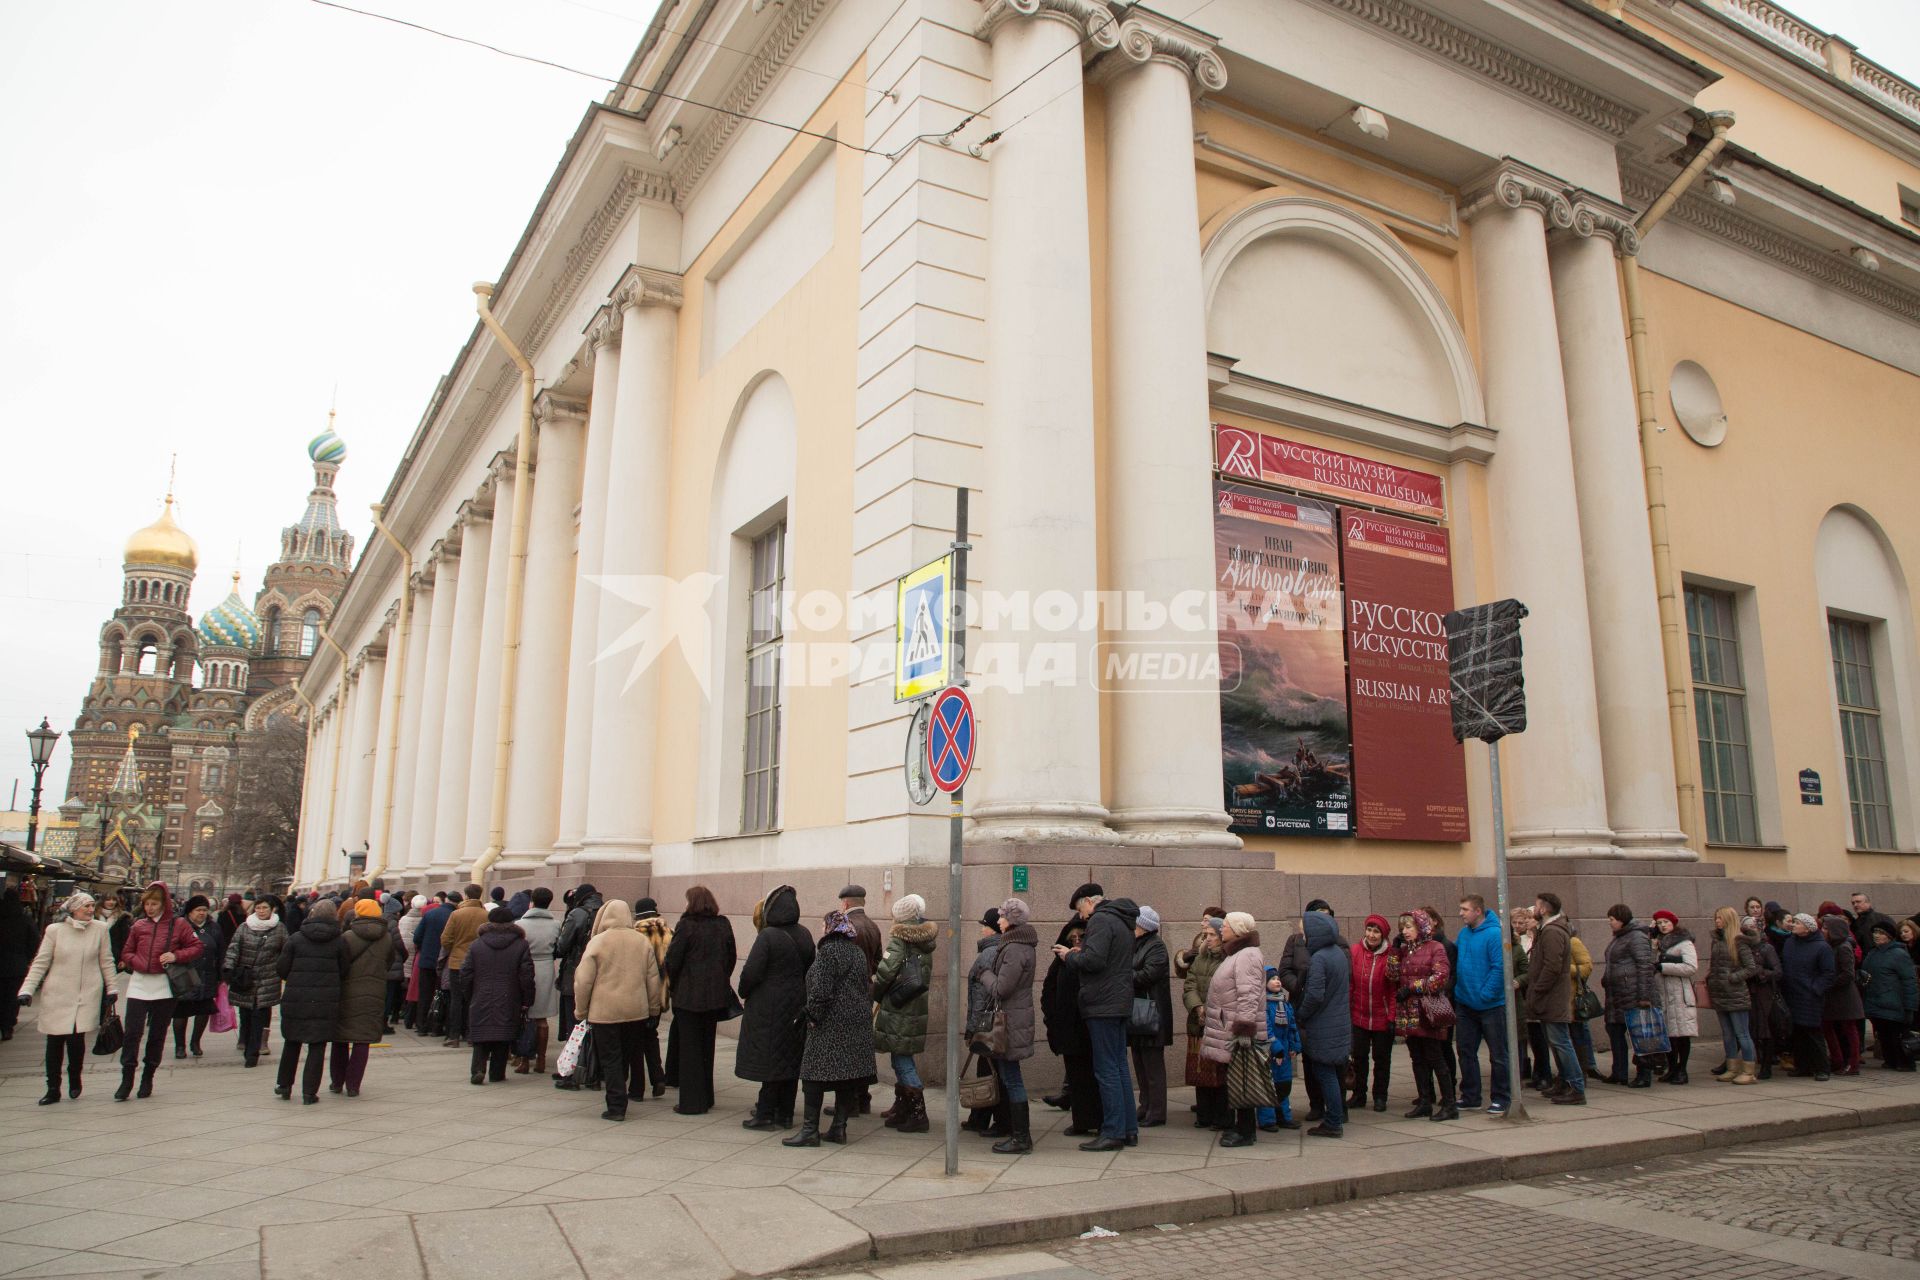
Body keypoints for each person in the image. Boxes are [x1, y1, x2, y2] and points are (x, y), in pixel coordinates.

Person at [1055, 886, 1140, 1152]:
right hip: (1119, 1001)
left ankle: (1113, 1131)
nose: (1082, 917)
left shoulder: (1101, 919)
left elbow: (1094, 960)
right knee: (1119, 1067)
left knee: (1106, 1069)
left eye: (1081, 911)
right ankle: (1128, 1129)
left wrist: (1070, 955)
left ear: (1090, 902)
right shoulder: (1123, 920)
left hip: (1102, 1003)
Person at [784, 910, 877, 1147]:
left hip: (831, 1024)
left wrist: (811, 1015)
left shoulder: (828, 953)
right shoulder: (857, 953)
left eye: (823, 925)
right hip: (856, 1022)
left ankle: (810, 1131)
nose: (821, 929)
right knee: (846, 1076)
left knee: (812, 1076)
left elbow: (821, 991)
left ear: (830, 928)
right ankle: (838, 1129)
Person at [16, 891, 116, 1104]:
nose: (90, 910)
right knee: (54, 1041)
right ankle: (53, 1088)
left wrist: (112, 989)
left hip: (86, 993)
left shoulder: (100, 929)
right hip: (58, 993)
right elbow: (41, 962)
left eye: (92, 906)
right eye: (85, 906)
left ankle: (75, 1078)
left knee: (76, 1040)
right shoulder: (55, 930)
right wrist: (26, 989)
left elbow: (106, 961)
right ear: (72, 909)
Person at [573, 900, 665, 1120]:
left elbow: (583, 981)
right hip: (636, 1010)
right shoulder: (641, 942)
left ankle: (616, 1105)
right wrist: (653, 1009)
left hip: (604, 1011)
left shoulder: (597, 942)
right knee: (625, 1055)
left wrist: (581, 1011)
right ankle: (623, 1093)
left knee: (610, 1058)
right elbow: (653, 979)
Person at [736, 886, 815, 1131]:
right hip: (797, 1003)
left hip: (768, 1006)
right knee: (790, 1059)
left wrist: (743, 991)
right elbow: (811, 968)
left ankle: (765, 1114)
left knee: (770, 1060)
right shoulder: (804, 933)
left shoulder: (767, 936)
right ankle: (786, 1114)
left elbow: (751, 973)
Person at [117, 881, 203, 1102]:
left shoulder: (179, 924)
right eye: (147, 904)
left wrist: (176, 956)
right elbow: (126, 952)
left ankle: (148, 1076)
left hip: (165, 986)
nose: (150, 908)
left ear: (164, 904)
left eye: (154, 904)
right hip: (139, 984)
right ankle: (127, 1079)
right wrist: (137, 962)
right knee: (132, 1033)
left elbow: (196, 947)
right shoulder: (138, 926)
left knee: (157, 1034)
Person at [662, 885, 736, 1115]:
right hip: (714, 996)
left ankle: (692, 1101)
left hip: (688, 996)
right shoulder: (722, 924)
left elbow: (673, 960)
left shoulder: (686, 925)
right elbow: (730, 957)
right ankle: (707, 1096)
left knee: (690, 1049)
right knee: (707, 1047)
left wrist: (675, 985)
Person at [872, 893, 938, 1134]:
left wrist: (875, 992)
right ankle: (904, 1108)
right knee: (900, 1054)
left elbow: (887, 971)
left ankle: (918, 1113)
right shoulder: (924, 938)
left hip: (899, 1004)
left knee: (902, 1059)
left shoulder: (900, 937)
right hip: (914, 1004)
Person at [1201, 911, 1268, 1147]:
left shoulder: (1247, 956)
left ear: (1238, 930)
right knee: (1237, 1079)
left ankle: (1246, 1131)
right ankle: (1241, 1127)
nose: (1222, 930)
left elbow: (1248, 995)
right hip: (1229, 1026)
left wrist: (1244, 1029)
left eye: (1226, 926)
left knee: (1243, 1080)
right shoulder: (1238, 953)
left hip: (1238, 1030)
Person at [275, 900, 349, 1104]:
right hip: (325, 1000)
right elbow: (344, 970)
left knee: (292, 1041)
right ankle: (309, 1092)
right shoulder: (339, 941)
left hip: (296, 998)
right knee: (317, 1045)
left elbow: (281, 968)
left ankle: (284, 1084)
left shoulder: (296, 938)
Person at [1391, 909, 1457, 1120]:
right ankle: (1424, 1101)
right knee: (1417, 1058)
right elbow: (1391, 974)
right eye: (1403, 928)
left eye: (1409, 927)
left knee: (1436, 1057)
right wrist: (1394, 950)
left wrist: (1412, 987)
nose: (1405, 931)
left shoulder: (1435, 948)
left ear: (1421, 927)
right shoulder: (1405, 951)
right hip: (1409, 1013)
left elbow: (1440, 977)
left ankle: (1449, 1104)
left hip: (1428, 1011)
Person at [987, 898, 1039, 1154]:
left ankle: (1021, 1137)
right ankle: (1019, 1134)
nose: (998, 921)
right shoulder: (1018, 944)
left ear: (1012, 920)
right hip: (1014, 1018)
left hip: (1011, 1020)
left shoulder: (1015, 948)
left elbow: (1001, 988)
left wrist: (984, 973)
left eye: (1002, 916)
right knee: (1010, 1076)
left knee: (1013, 1078)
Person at [1042, 919, 1102, 1138]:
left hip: (1088, 1025)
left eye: (1081, 937)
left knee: (1094, 1076)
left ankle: (1099, 1119)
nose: (1076, 941)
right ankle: (1082, 1121)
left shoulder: (1088, 962)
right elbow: (1048, 990)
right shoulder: (1059, 963)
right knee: (1076, 1077)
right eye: (1072, 938)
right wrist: (1051, 1016)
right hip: (1067, 1027)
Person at [1452, 894, 1510, 1116]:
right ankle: (1470, 1095)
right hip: (1465, 1003)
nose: (1461, 913)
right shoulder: (1464, 934)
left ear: (1478, 911)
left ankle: (1501, 1097)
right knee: (1466, 1051)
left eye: (1465, 909)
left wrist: (1486, 994)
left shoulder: (1495, 934)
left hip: (1490, 1005)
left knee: (1498, 1054)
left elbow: (1499, 967)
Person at [329, 899, 393, 1098]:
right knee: (362, 1040)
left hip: (347, 993)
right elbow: (389, 963)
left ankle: (337, 1082)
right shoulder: (387, 938)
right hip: (374, 992)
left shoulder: (347, 936)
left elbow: (340, 965)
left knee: (340, 1039)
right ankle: (354, 1085)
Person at [465, 905, 534, 1085]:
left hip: (481, 994)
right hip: (509, 995)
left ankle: (478, 1069)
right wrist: (527, 999)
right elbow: (526, 975)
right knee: (503, 1034)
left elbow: (466, 973)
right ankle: (497, 1072)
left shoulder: (477, 945)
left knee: (481, 1034)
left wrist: (469, 994)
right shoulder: (521, 944)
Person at [1527, 893, 1585, 1104]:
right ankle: (1564, 1081)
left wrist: (1538, 990)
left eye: (1536, 905)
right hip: (1548, 997)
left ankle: (1576, 1086)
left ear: (1544, 909)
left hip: (1551, 997)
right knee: (1556, 1041)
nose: (1533, 909)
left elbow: (1552, 966)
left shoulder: (1552, 931)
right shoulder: (1547, 930)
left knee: (1561, 1042)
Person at [1276, 900, 1332, 1118]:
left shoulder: (1337, 942)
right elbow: (1284, 970)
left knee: (1328, 1060)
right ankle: (1316, 1105)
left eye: (1326, 915)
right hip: (1302, 1005)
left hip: (1325, 1007)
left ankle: (1335, 1107)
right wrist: (1298, 986)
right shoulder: (1295, 941)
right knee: (1308, 1058)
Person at [834, 884, 885, 1119]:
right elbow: (877, 962)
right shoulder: (873, 926)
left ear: (845, 903)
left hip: (847, 993)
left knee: (845, 1047)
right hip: (865, 990)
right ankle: (863, 1097)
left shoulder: (847, 926)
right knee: (862, 1046)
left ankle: (850, 1102)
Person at [1175, 913, 1226, 1130]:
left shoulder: (1228, 959)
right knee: (1199, 1069)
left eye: (1212, 934)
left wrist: (1212, 1010)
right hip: (1198, 1020)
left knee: (1218, 1071)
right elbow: (1190, 985)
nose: (1208, 939)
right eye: (1206, 935)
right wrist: (1197, 1007)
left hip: (1218, 1022)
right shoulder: (1200, 958)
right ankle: (1204, 1114)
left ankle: (1220, 1115)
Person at [1600, 905, 1660, 1087]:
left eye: (1612, 919)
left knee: (1639, 1034)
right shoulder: (1620, 938)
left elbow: (1644, 966)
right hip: (1617, 995)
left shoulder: (1637, 937)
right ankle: (1619, 1072)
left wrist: (1644, 996)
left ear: (1621, 919)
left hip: (1633, 994)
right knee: (1614, 1030)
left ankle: (1644, 1074)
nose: (1609, 923)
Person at [224, 897, 286, 1067]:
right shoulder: (245, 927)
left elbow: (285, 952)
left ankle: (252, 1053)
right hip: (245, 978)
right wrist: (228, 969)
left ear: (272, 909)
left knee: (260, 1015)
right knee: (246, 1014)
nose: (261, 911)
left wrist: (282, 970)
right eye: (258, 908)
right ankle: (245, 1042)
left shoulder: (279, 929)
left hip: (268, 978)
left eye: (264, 908)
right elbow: (234, 948)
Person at [962, 906, 1006, 1136]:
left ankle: (987, 1119)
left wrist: (972, 1030)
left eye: (984, 926)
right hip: (993, 1022)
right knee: (991, 1070)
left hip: (986, 1024)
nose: (981, 930)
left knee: (988, 1072)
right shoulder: (999, 949)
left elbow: (980, 995)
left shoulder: (989, 954)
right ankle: (981, 1118)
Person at [1128, 905, 1172, 1129]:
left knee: (1153, 1067)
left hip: (1151, 1014)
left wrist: (1123, 974)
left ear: (1143, 926)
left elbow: (1148, 975)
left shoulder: (1156, 947)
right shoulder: (1137, 945)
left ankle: (1157, 1111)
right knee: (1140, 1063)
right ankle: (1144, 1106)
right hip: (1138, 1014)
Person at [1705, 906, 1760, 1085]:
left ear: (1728, 920)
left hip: (1735, 994)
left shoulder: (1738, 941)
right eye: (1716, 918)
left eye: (1720, 918)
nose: (1717, 921)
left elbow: (1751, 967)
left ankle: (1749, 1070)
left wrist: (1733, 977)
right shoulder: (1717, 941)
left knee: (1742, 1033)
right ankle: (1732, 1067)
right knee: (1727, 1034)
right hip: (1720, 993)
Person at [1347, 914, 1394, 1114]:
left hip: (1382, 1016)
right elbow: (1351, 984)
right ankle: (1359, 1094)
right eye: (1369, 930)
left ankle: (1380, 1096)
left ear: (1382, 935)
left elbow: (1392, 990)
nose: (1372, 935)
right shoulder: (1356, 951)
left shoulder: (1391, 955)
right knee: (1359, 1057)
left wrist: (1392, 1016)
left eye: (1376, 932)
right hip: (1359, 1014)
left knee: (1382, 1059)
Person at [1779, 913, 1836, 1079]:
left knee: (1813, 1033)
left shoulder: (1822, 947)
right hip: (1792, 994)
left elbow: (1828, 973)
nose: (1793, 925)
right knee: (1797, 1033)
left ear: (1807, 927)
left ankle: (1822, 1068)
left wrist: (1815, 989)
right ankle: (1802, 1066)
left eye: (1797, 923)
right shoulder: (1790, 942)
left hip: (1810, 997)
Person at [170, 895, 224, 1059]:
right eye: (198, 910)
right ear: (190, 911)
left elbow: (221, 950)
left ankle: (195, 1042)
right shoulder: (179, 925)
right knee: (181, 1012)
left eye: (204, 910)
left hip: (207, 974)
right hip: (184, 974)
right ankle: (180, 1046)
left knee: (203, 1010)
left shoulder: (214, 927)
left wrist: (222, 974)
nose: (202, 913)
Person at [515, 887, 561, 1075]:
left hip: (524, 968)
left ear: (531, 902)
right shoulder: (556, 924)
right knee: (542, 1019)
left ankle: (524, 1060)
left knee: (525, 1017)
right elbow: (560, 947)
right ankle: (541, 1060)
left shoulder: (520, 924)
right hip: (546, 969)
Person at [1650, 910, 1700, 1084]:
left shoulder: (1684, 943)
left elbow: (1691, 967)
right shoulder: (1658, 943)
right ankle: (1672, 1068)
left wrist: (1664, 967)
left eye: (1666, 922)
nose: (1663, 925)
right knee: (1669, 1035)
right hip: (1663, 994)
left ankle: (1682, 1070)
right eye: (1659, 922)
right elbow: (1650, 963)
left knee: (1682, 1034)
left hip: (1680, 994)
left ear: (1673, 923)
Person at [437, 885, 489, 1047]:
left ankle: (454, 1036)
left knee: (456, 999)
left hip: (457, 962)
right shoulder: (486, 915)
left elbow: (445, 939)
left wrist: (455, 948)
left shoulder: (456, 914)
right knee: (474, 999)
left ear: (466, 896)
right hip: (478, 963)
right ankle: (471, 1035)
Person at [1861, 921, 1917, 1072]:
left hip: (1893, 1003)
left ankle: (1905, 1062)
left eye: (1880, 933)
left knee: (1896, 1035)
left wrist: (1910, 1007)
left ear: (1889, 936)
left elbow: (1909, 981)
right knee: (1883, 1034)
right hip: (1876, 1001)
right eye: (1875, 933)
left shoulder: (1899, 954)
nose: (1876, 936)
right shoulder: (1873, 953)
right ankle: (1890, 1060)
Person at [631, 899, 673, 1097]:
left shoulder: (635, 935)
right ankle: (658, 1078)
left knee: (635, 1040)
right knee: (651, 1036)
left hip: (639, 993)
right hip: (661, 993)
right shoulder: (669, 932)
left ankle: (637, 1087)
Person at [554, 883, 603, 1039]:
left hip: (575, 971)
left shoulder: (577, 913)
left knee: (575, 1021)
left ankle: (576, 1058)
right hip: (602, 973)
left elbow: (562, 946)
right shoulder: (606, 911)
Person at [1821, 913, 1864, 1076]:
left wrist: (1828, 983)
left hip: (1845, 996)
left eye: (1826, 928)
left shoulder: (1843, 947)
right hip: (1833, 996)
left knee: (1849, 1029)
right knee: (1828, 1027)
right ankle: (1837, 1060)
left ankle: (1853, 1063)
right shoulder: (1829, 946)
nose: (1823, 931)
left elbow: (1848, 974)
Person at [1510, 907, 1547, 1090]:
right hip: (1524, 993)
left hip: (1536, 992)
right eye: (1514, 923)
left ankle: (1543, 1073)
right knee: (1524, 1034)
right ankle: (1526, 1068)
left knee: (1538, 1036)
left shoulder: (1537, 939)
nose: (1518, 926)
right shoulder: (1515, 943)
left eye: (1522, 922)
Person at [1744, 912, 1785, 1079]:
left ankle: (1767, 1064)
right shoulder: (1742, 947)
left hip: (1764, 993)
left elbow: (1777, 972)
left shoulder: (1766, 948)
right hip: (1747, 992)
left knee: (1765, 1030)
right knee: (1752, 1029)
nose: (1751, 930)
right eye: (1748, 927)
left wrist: (1759, 972)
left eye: (1754, 927)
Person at [0, 888, 41, 1042]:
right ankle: (7, 1027)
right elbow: (34, 941)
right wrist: (27, 957)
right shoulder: (24, 919)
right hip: (17, 964)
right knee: (11, 997)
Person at [412, 892, 452, 1035]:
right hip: (446, 961)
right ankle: (437, 1026)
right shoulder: (453, 915)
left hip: (427, 959)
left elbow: (417, 936)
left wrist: (423, 947)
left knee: (424, 995)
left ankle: (421, 1026)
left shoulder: (430, 915)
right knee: (443, 994)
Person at [397, 892, 427, 1030]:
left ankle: (405, 1012)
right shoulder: (424, 919)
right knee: (415, 987)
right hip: (417, 955)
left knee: (408, 987)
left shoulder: (403, 919)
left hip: (406, 955)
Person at [1848, 892, 1897, 958]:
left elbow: (1895, 937)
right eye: (1853, 903)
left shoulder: (1882, 918)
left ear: (1868, 903)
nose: (1855, 905)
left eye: (1858, 902)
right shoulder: (1855, 923)